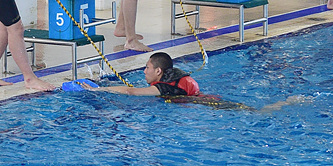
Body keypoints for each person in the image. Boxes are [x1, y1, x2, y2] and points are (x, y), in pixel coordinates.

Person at [80, 52, 305, 112]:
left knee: (256, 112)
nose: (144, 70)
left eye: (147, 67)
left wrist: (100, 90)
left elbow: (131, 93)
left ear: (158, 71)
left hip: (208, 105)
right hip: (207, 101)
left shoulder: (163, 87)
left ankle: (286, 103)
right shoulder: (172, 79)